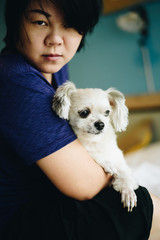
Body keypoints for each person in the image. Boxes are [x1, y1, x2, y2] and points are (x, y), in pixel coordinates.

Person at [0, 0, 159, 239]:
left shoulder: (54, 69)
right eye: (40, 21)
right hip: (20, 220)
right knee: (147, 209)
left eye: (70, 25)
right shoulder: (16, 80)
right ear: (15, 23)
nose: (55, 39)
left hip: (46, 198)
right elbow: (84, 184)